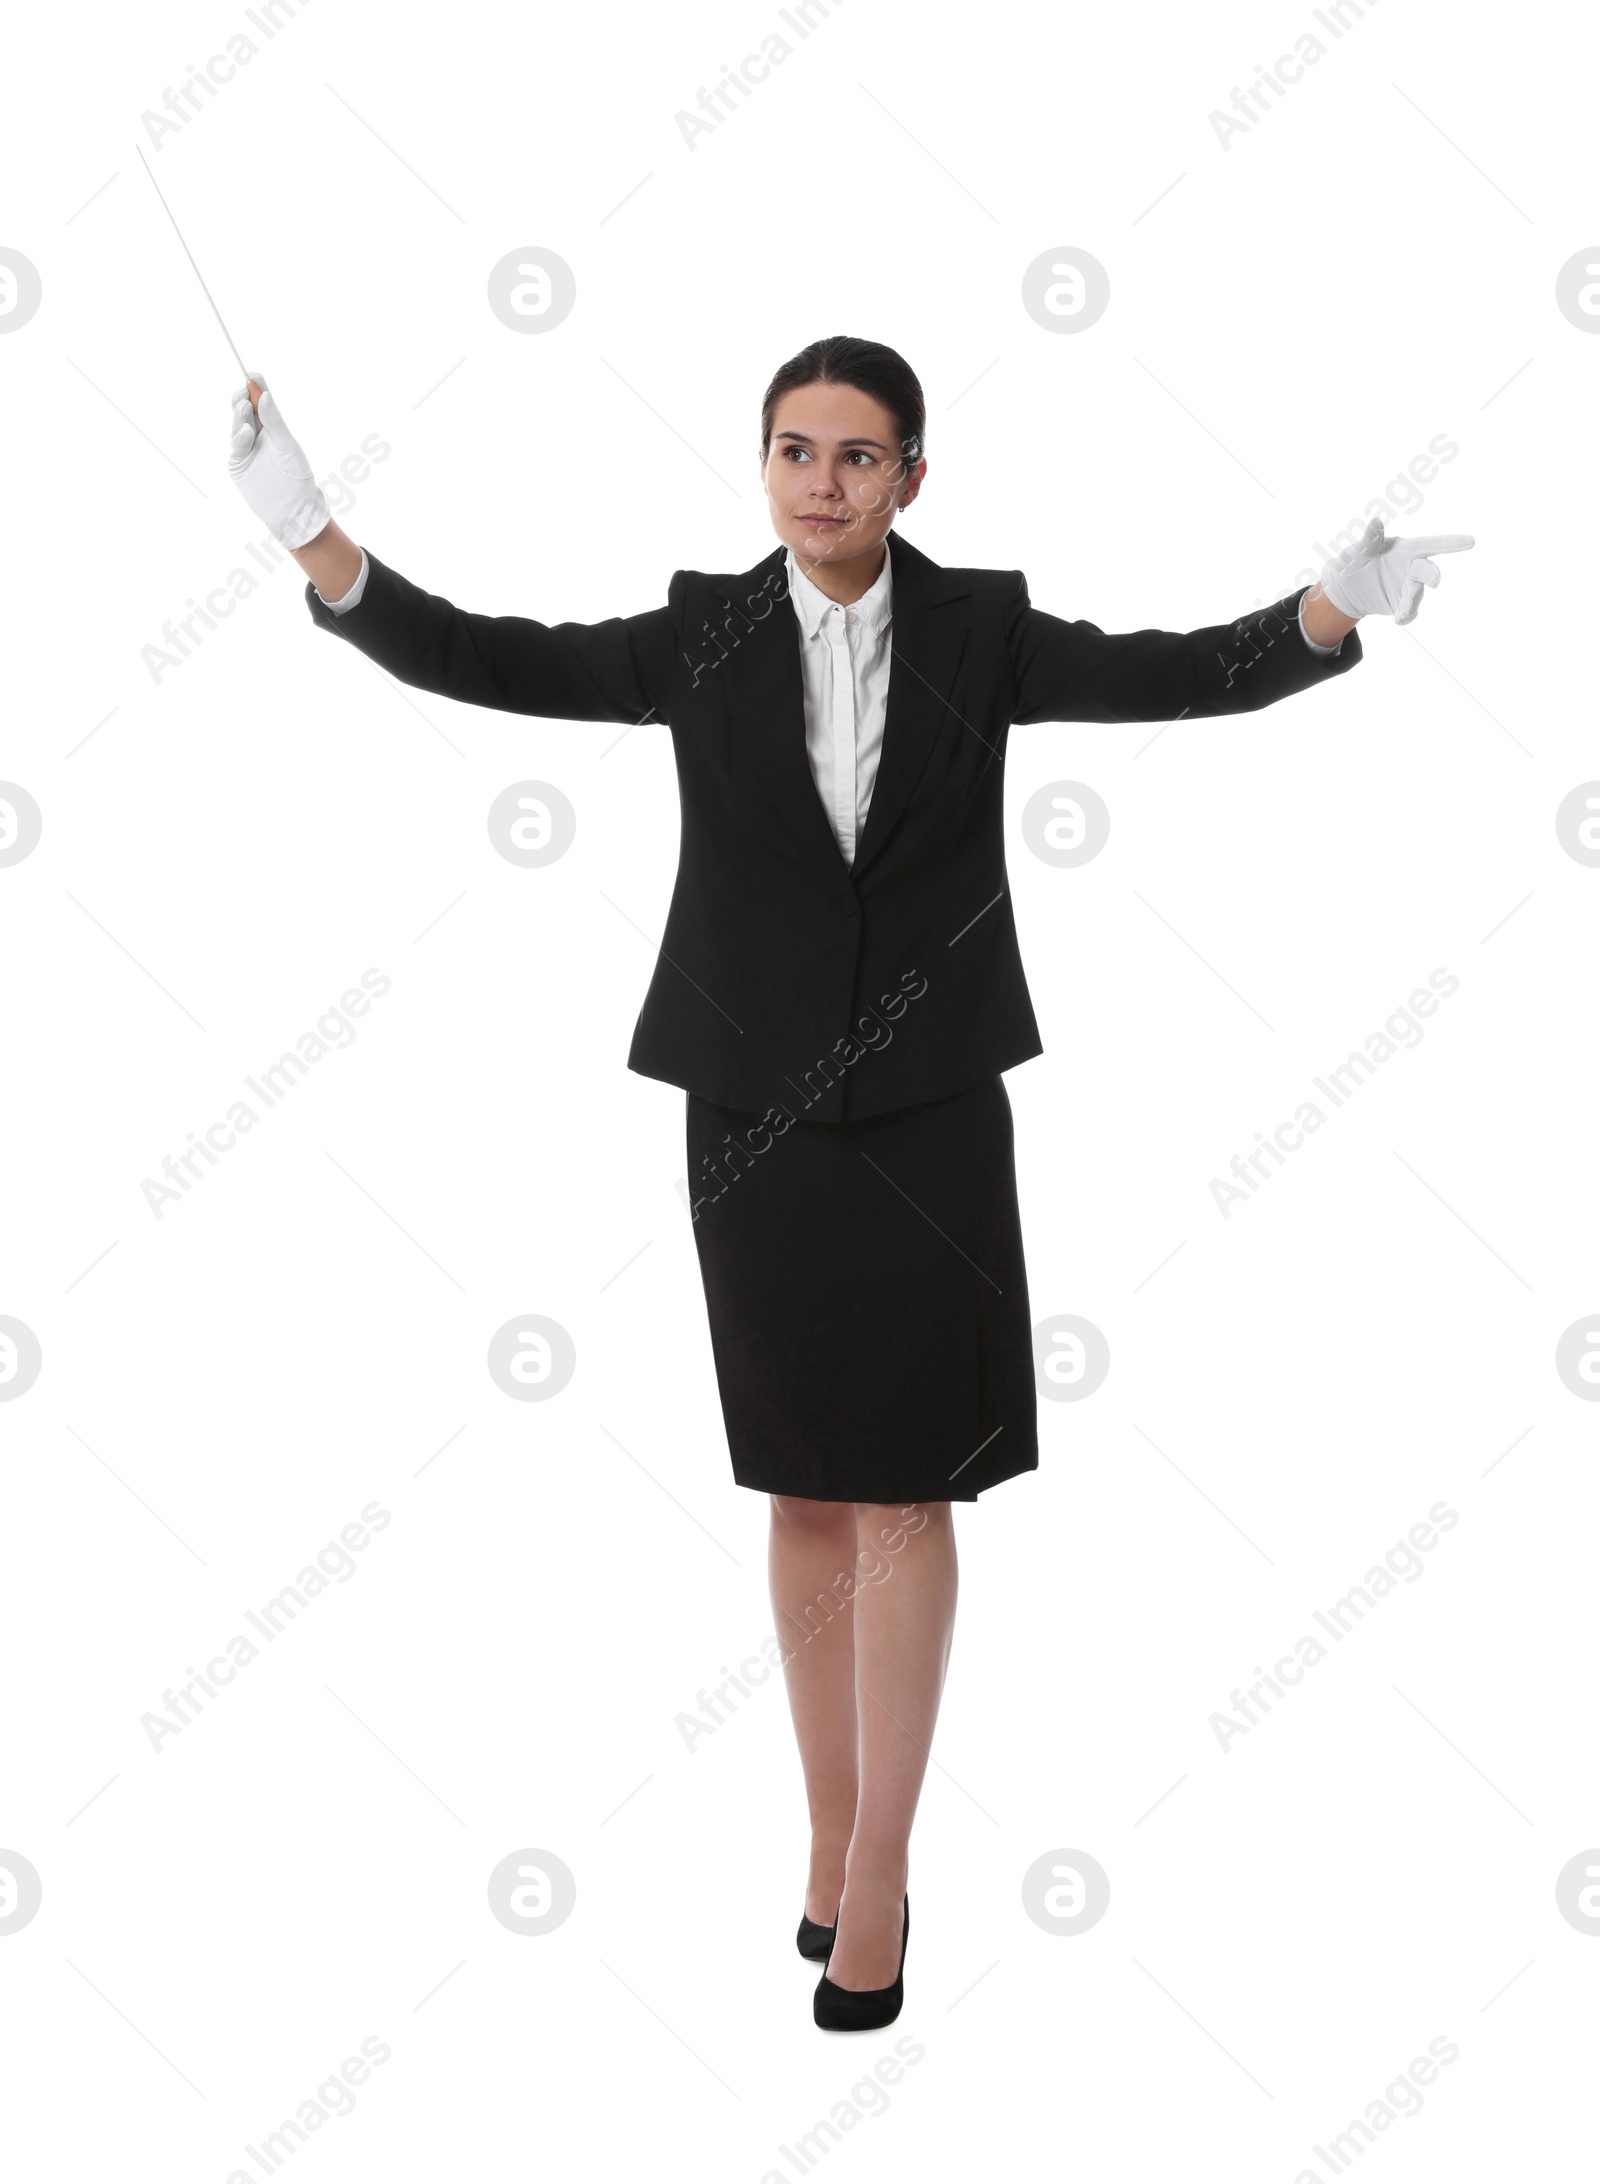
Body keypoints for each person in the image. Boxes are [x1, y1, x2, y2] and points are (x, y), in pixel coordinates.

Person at [227, 335, 1472, 2030]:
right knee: (805, 1493)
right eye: (795, 451)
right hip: (749, 1114)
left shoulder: (981, 628)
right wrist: (318, 540)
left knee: (910, 1495)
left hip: (934, 1106)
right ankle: (825, 1840)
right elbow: (482, 657)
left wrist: (1326, 613)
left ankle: (882, 1875)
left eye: (858, 456)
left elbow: (1174, 674)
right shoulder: (704, 629)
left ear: (912, 478)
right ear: (763, 467)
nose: (823, 481)